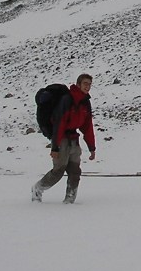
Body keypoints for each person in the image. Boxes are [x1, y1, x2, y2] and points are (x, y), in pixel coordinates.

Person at [31, 73, 97, 204]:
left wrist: (92, 147)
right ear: (78, 84)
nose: (87, 86)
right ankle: (38, 188)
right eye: (85, 83)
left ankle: (69, 201)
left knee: (75, 172)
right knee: (58, 171)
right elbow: (59, 124)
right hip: (61, 139)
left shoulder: (85, 102)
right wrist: (55, 147)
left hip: (74, 138)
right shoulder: (67, 100)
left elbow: (87, 126)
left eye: (89, 84)